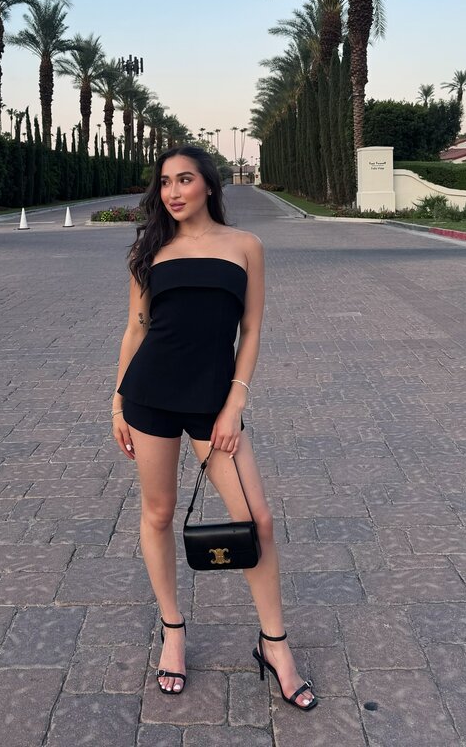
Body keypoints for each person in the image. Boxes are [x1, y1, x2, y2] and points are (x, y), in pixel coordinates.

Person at [111, 145, 317, 710]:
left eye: (184, 179)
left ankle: (274, 645)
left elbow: (251, 330)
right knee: (158, 513)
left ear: (208, 184)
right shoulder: (149, 251)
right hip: (149, 397)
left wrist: (234, 401)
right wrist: (117, 402)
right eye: (165, 183)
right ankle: (173, 632)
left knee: (257, 521)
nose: (172, 192)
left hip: (213, 404)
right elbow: (135, 330)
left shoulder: (245, 246)